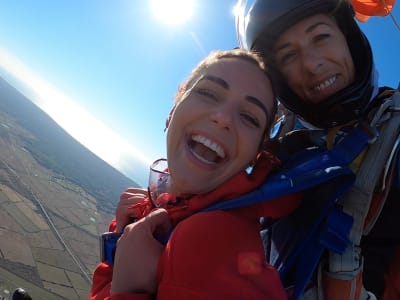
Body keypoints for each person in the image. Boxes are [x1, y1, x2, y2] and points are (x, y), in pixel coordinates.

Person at [89, 48, 302, 300]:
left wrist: (130, 291)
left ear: (255, 155)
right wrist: (122, 238)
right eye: (208, 93)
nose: (223, 118)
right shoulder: (160, 208)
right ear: (172, 112)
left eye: (249, 117)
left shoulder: (210, 240)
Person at [236, 0, 400, 299]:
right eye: (288, 56)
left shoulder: (395, 146)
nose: (311, 64)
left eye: (321, 37)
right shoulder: (276, 143)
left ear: (348, 38)